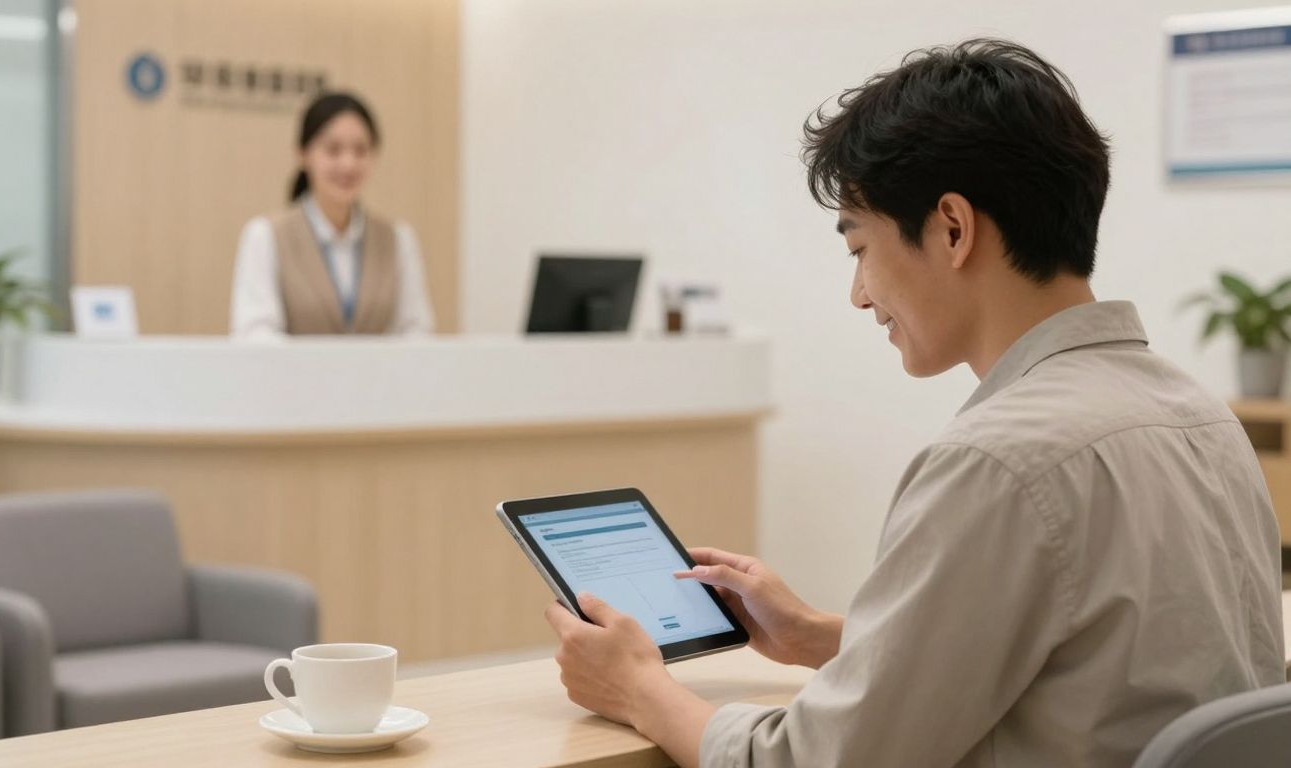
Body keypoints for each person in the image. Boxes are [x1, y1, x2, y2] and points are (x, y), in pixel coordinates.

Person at [543, 39, 1285, 767]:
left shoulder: (1000, 461)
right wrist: (814, 634)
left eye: (860, 249)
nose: (860, 295)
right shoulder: (1201, 415)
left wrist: (639, 688)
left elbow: (817, 762)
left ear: (953, 229)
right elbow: (1091, 669)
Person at [231, 92, 434, 336]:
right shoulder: (265, 236)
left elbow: (415, 329)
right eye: (333, 150)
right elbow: (256, 333)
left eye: (360, 150)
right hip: (293, 375)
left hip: (379, 375)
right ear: (303, 154)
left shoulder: (398, 239)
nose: (348, 164)